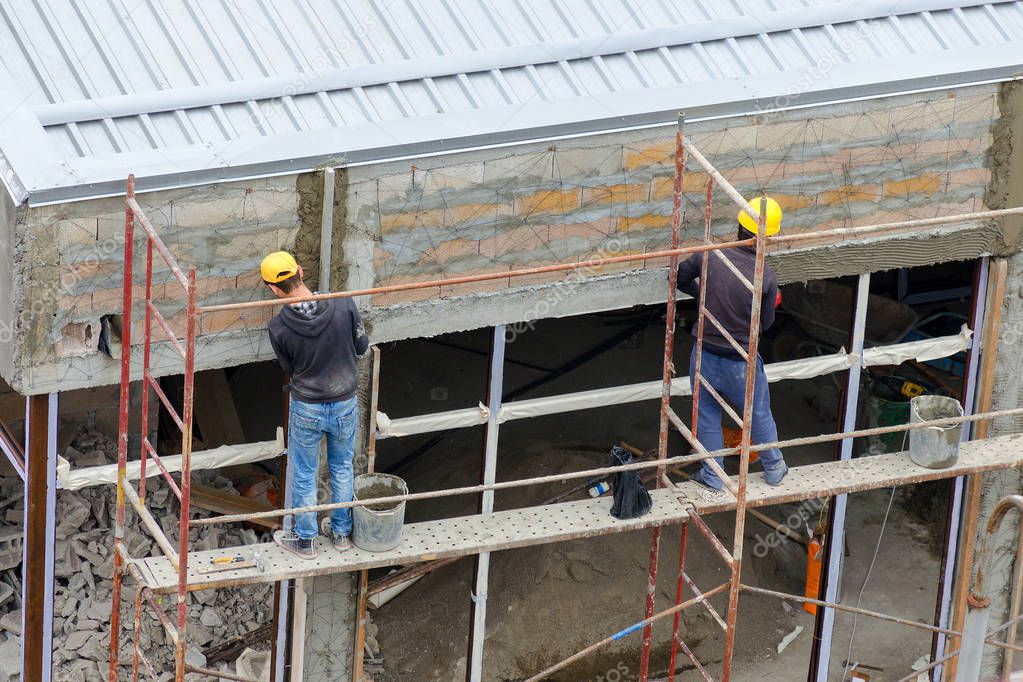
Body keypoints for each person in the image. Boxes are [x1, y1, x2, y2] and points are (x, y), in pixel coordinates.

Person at [261, 251, 370, 559]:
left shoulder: (279, 328)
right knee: (342, 467)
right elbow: (362, 347)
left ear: (273, 289)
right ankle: (340, 534)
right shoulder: (343, 303)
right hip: (344, 402)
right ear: (300, 270)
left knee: (305, 474)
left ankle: (305, 541)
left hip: (307, 406)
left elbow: (290, 368)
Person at [676, 196, 788, 491]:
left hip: (705, 355)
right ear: (767, 238)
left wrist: (702, 295)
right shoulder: (766, 275)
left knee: (707, 414)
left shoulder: (711, 255)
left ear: (739, 226)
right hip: (741, 360)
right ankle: (774, 468)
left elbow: (679, 277)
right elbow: (765, 325)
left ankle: (713, 476)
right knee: (757, 413)